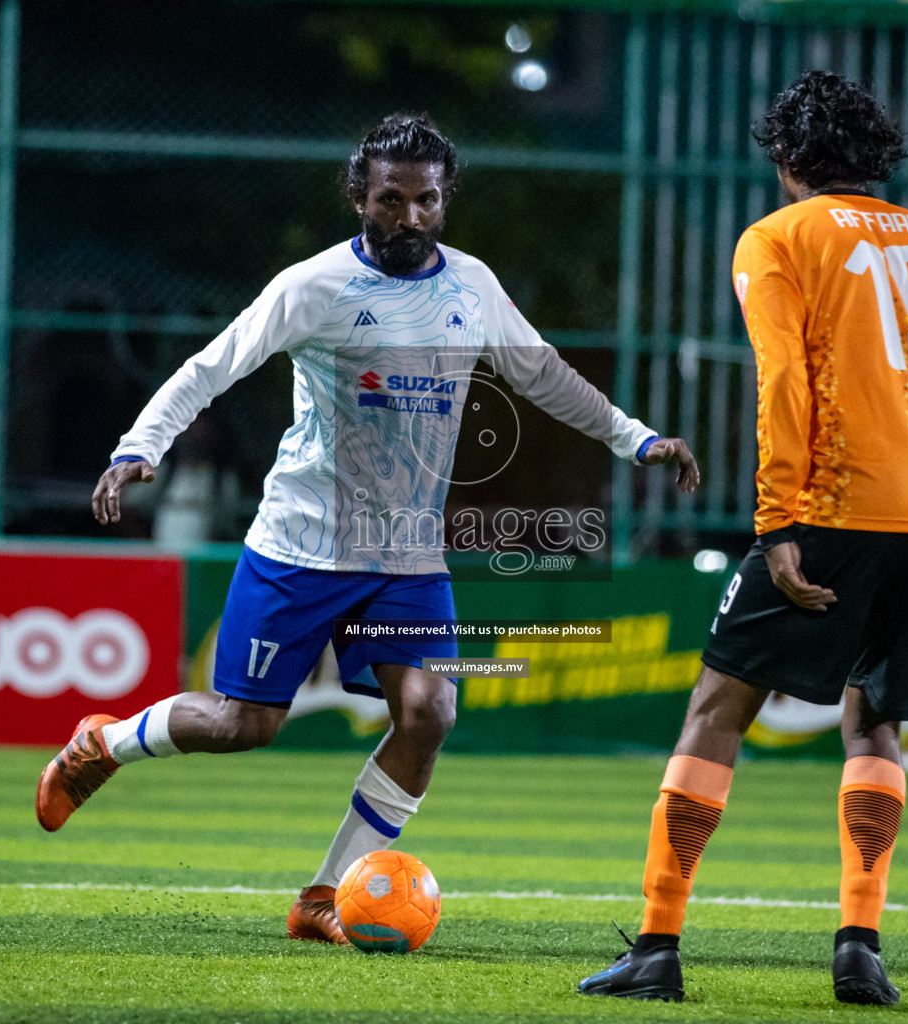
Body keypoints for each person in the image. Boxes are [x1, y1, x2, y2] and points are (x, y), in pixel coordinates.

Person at [35, 113, 701, 944]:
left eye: (426, 201)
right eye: (392, 199)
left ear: (444, 200)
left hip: (408, 556)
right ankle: (104, 745)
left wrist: (634, 437)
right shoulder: (312, 287)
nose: (410, 218)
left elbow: (541, 373)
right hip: (302, 546)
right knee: (246, 725)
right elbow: (215, 363)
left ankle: (322, 898)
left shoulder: (472, 285)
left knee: (429, 712)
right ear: (360, 196)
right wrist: (142, 445)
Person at [577, 71, 908, 1007]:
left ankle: (657, 943)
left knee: (718, 707)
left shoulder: (777, 238)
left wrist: (778, 522)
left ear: (787, 159)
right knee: (873, 715)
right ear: (875, 158)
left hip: (840, 503)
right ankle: (858, 947)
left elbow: (783, 385)